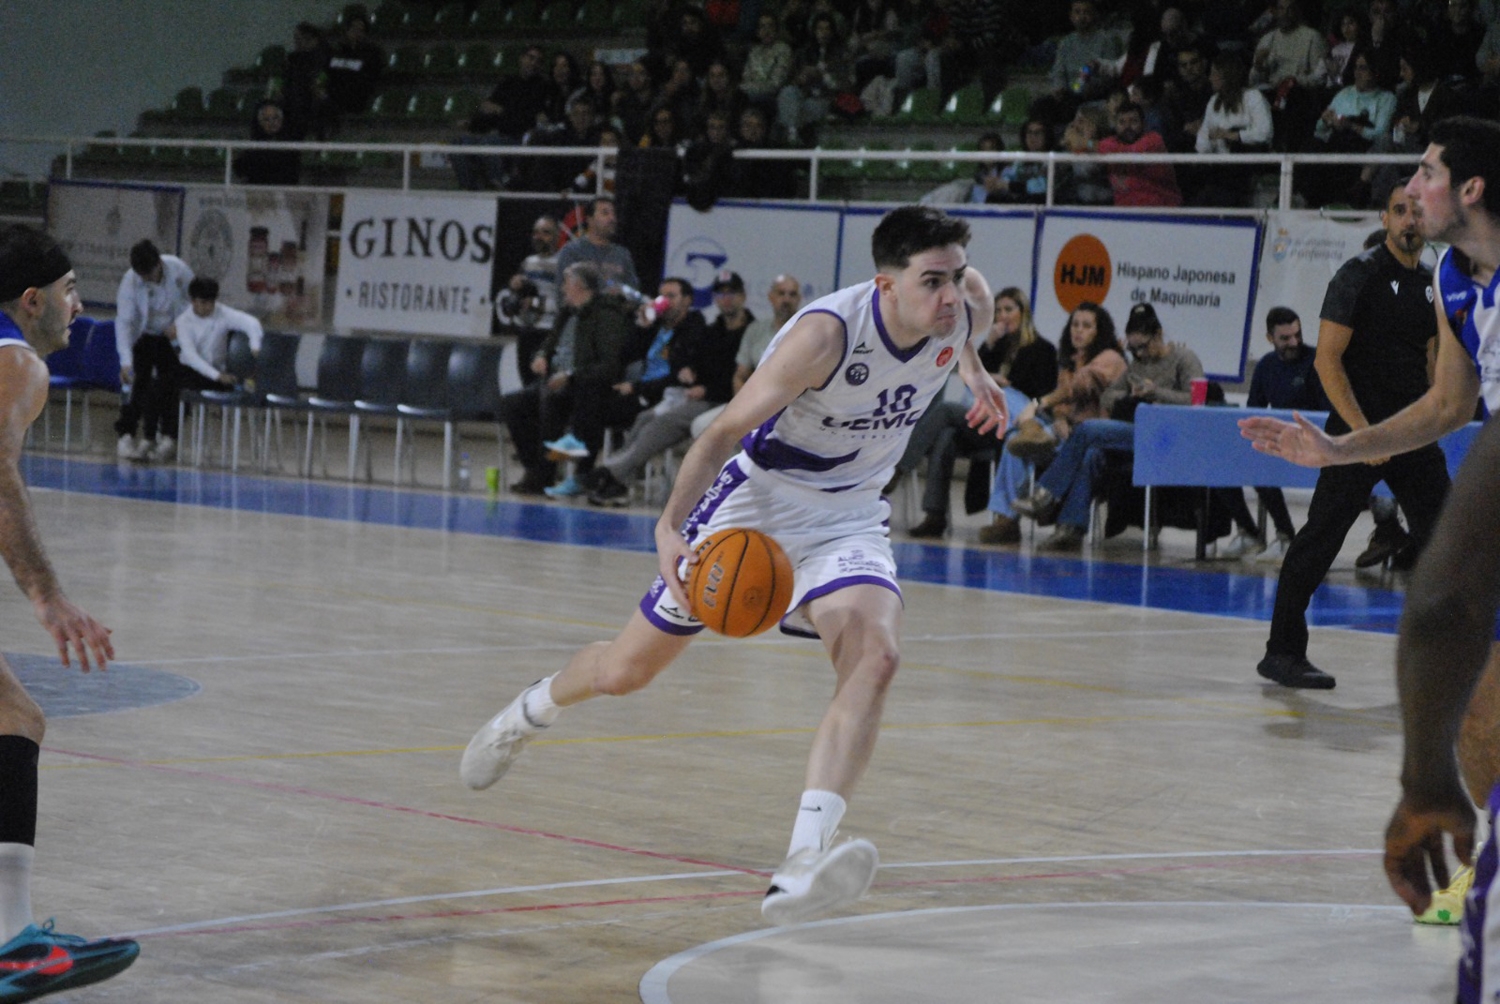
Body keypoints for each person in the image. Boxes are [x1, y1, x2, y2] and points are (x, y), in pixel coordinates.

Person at [460, 206, 1008, 925]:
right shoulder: (824, 336)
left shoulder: (967, 304)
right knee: (627, 671)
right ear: (885, 285)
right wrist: (668, 527)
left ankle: (800, 865)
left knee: (876, 657)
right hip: (757, 505)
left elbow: (962, 336)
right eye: (931, 280)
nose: (950, 293)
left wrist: (974, 371)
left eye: (956, 276)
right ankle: (530, 711)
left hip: (848, 512)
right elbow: (719, 432)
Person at [1237, 117, 1500, 979]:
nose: (1410, 185)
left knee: (1444, 616)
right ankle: (1478, 864)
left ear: (1469, 189)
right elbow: (1448, 405)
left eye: (1426, 171)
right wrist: (1340, 448)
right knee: (1481, 711)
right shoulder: (1457, 278)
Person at [0, 223, 140, 998]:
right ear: (31, 301)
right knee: (12, 720)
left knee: (12, 718)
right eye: (69, 292)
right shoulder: (16, 362)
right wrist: (47, 595)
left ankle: (10, 937)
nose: (79, 308)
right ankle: (11, 944)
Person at [1249, 179, 1447, 691]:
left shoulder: (1432, 282)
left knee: (1446, 540)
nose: (1409, 220)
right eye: (1399, 211)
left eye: (1416, 212)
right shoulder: (1358, 275)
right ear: (1384, 219)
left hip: (1411, 433)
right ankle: (1282, 652)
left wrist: (1432, 415)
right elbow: (1327, 359)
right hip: (1355, 433)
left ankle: (1446, 660)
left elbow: (1430, 361)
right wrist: (1361, 434)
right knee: (1320, 538)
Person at [1012, 303, 1203, 550]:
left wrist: (1156, 392)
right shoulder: (1136, 366)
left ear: (1158, 335)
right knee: (1092, 454)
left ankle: (1045, 494)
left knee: (1088, 430)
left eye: (1143, 347)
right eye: (1133, 349)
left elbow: (1197, 401)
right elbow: (1108, 398)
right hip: (1135, 432)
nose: (1139, 354)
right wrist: (1130, 397)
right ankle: (1070, 528)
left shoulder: (1183, 358)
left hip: (1167, 436)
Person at [586, 271, 750, 506]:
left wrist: (704, 387)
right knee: (644, 417)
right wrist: (646, 328)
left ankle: (612, 472)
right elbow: (683, 363)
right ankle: (618, 480)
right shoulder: (712, 331)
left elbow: (734, 375)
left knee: (662, 420)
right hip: (692, 395)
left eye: (731, 293)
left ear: (742, 296)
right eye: (720, 294)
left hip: (719, 400)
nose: (726, 299)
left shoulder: (744, 330)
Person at [500, 262, 632, 496]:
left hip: (585, 384)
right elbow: (550, 342)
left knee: (552, 399)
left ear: (579, 286)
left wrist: (570, 376)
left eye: (565, 284)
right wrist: (541, 356)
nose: (561, 289)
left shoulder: (606, 316)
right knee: (513, 404)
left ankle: (546, 474)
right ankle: (536, 468)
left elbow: (608, 365)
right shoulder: (567, 312)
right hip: (555, 379)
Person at [1227, 306, 1326, 564]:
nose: (1294, 342)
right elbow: (1254, 409)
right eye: (1285, 338)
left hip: (1317, 443)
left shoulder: (1318, 361)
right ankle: (1253, 530)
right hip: (1281, 443)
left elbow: (1329, 412)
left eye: (1297, 335)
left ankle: (1293, 539)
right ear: (1270, 338)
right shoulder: (1265, 367)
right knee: (1231, 462)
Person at [690, 273, 805, 439]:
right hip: (753, 403)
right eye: (781, 293)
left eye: (792, 294)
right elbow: (739, 376)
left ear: (799, 298)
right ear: (771, 297)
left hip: (792, 407)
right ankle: (732, 465)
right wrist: (743, 406)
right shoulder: (755, 330)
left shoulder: (808, 332)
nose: (786, 299)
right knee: (701, 426)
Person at [113, 239, 193, 463]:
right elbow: (125, 323)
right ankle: (126, 434)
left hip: (173, 336)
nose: (146, 279)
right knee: (137, 384)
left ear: (159, 263)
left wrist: (182, 325)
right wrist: (125, 362)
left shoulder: (178, 269)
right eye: (142, 275)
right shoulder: (130, 281)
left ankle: (168, 437)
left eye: (149, 273)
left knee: (170, 385)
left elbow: (196, 301)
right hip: (144, 335)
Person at [450, 45, 550, 192]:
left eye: (538, 60)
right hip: (502, 135)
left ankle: (499, 185)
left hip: (520, 140)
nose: (533, 63)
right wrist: (472, 123)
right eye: (531, 58)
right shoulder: (507, 83)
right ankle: (468, 188)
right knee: (458, 143)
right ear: (521, 58)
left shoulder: (541, 87)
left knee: (488, 144)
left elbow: (527, 120)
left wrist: (502, 111)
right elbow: (489, 109)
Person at [497, 216, 562, 386]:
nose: (539, 237)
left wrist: (534, 303)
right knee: (526, 381)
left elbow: (565, 303)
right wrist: (514, 286)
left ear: (557, 235)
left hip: (550, 332)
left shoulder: (562, 264)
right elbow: (517, 297)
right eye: (536, 233)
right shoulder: (528, 263)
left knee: (544, 385)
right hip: (527, 330)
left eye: (545, 233)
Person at [171, 277, 264, 396]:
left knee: (242, 386)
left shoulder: (222, 313)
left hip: (219, 370)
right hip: (191, 371)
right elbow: (191, 356)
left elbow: (251, 323)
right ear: (193, 301)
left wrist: (255, 346)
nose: (208, 307)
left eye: (212, 302)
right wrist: (217, 376)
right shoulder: (183, 322)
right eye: (203, 303)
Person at [1098, 101, 1183, 207]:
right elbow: (1098, 146)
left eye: (1133, 121)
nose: (1127, 127)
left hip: (1162, 210)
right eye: (1122, 122)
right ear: (1115, 125)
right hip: (1124, 213)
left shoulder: (1154, 140)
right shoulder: (1110, 143)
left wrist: (1087, 144)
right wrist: (1086, 143)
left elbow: (1131, 152)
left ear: (1143, 124)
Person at [554, 197, 639, 294]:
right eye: (605, 213)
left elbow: (633, 293)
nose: (612, 218)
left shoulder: (623, 255)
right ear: (589, 219)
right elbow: (562, 292)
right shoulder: (572, 252)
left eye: (613, 214)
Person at [324, 4, 384, 127]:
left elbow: (371, 77)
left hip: (357, 96)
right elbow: (328, 72)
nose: (356, 33)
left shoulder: (373, 53)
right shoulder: (336, 52)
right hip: (334, 94)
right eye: (353, 29)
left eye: (360, 30)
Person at [235, 100, 301, 187]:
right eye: (266, 119)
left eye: (275, 118)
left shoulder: (291, 144)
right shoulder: (253, 147)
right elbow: (241, 171)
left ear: (281, 119)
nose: (272, 123)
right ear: (260, 123)